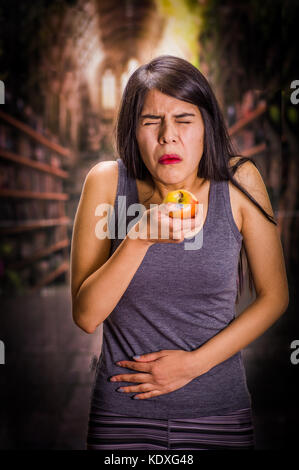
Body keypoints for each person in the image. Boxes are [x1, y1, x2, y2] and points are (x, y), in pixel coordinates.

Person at [70, 55, 289, 451]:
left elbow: (275, 297)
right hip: (122, 418)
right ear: (132, 132)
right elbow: (86, 316)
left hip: (218, 412)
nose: (168, 136)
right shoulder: (107, 183)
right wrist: (138, 237)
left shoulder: (240, 182)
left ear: (207, 125)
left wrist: (192, 366)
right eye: (151, 121)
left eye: (184, 120)